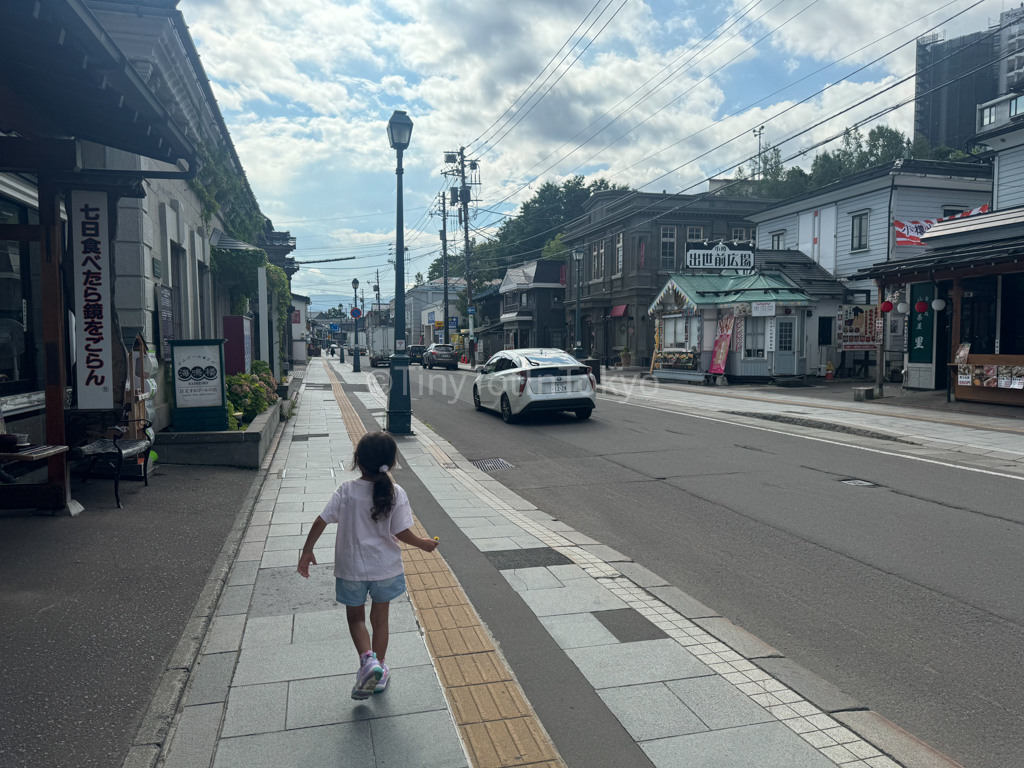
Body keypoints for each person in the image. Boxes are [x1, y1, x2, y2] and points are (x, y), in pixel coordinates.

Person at [297, 431, 438, 699]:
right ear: (391, 463)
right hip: (385, 568)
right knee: (380, 620)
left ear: (358, 461)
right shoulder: (395, 492)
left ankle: (367, 661)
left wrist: (307, 551)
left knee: (356, 618)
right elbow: (402, 532)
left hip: (352, 569)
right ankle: (380, 669)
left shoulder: (346, 490)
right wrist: (423, 543)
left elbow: (321, 521)